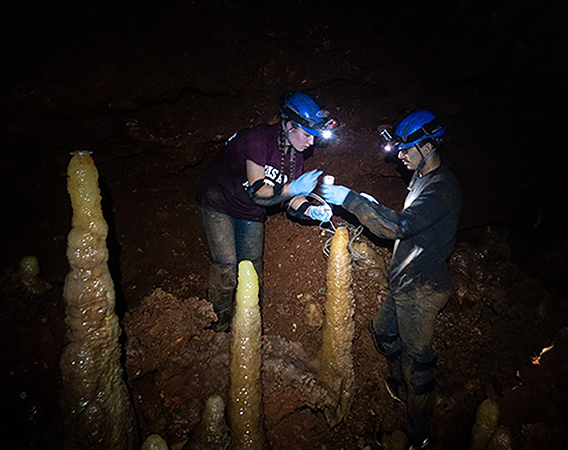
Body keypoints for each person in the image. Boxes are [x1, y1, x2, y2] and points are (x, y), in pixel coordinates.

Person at [321, 110, 461, 449]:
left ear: (427, 146)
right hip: (405, 283)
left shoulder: (442, 187)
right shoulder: (422, 179)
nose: (400, 156)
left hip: (422, 290)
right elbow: (406, 220)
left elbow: (399, 227)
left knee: (419, 364)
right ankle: (402, 387)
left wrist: (350, 200)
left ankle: (420, 434)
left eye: (406, 149)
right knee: (382, 332)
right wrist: (368, 203)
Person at [197, 92, 335, 331]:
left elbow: (290, 198)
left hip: (250, 211)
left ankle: (249, 325)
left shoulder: (295, 156)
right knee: (228, 266)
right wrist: (292, 188)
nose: (311, 142)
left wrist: (311, 210)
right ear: (290, 125)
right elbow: (258, 190)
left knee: (252, 268)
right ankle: (218, 326)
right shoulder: (259, 138)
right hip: (219, 201)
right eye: (307, 134)